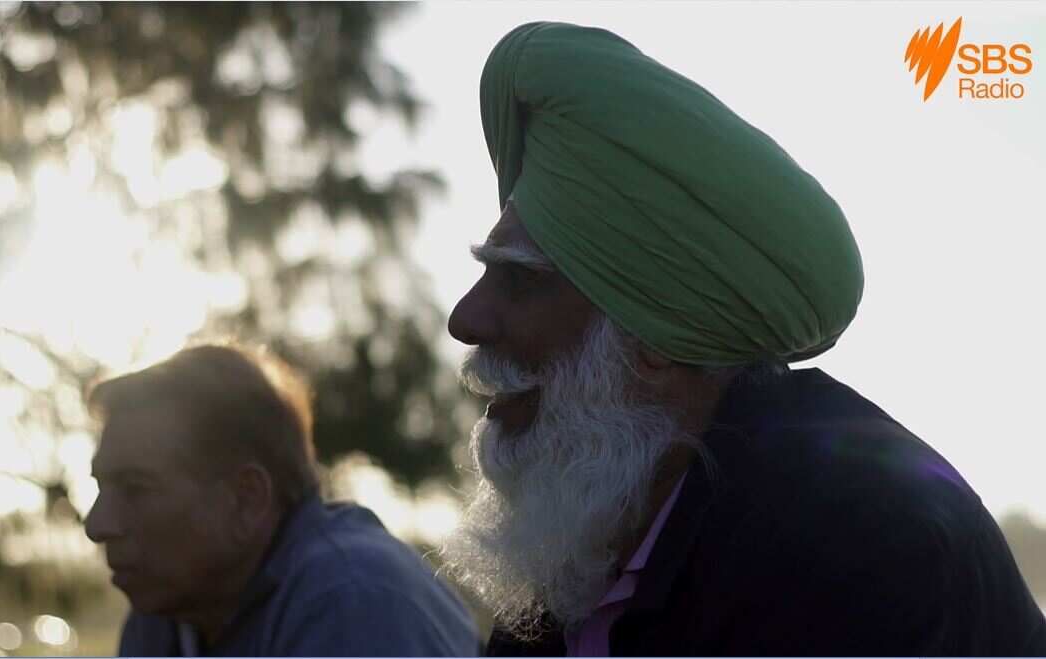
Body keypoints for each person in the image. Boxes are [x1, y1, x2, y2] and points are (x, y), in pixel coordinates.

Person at [439, 21, 1046, 656]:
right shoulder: (581, 556)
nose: (466, 318)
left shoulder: (867, 549)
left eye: (521, 279)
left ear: (655, 330)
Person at [84, 342, 480, 657]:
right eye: (102, 487)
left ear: (247, 499)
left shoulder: (351, 601)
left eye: (136, 488)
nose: (96, 525)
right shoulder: (163, 618)